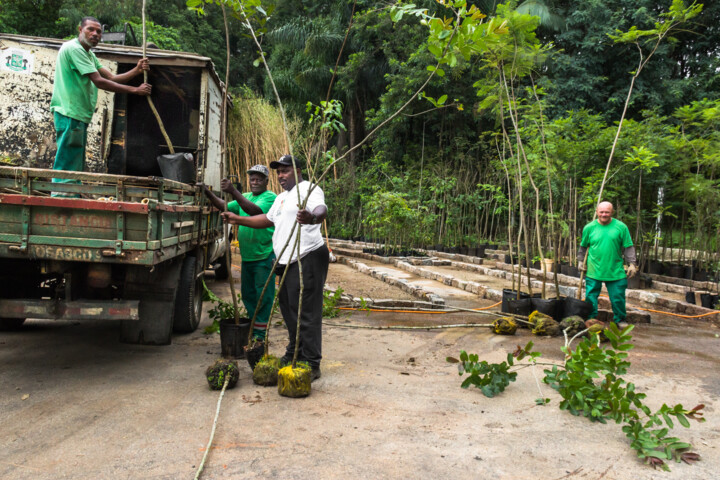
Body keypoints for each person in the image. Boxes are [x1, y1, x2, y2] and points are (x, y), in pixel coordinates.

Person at [221, 155, 329, 381]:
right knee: (289, 309)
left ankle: (311, 362)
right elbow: (267, 220)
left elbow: (321, 209)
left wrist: (311, 218)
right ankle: (294, 352)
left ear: (298, 171)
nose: (281, 175)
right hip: (286, 261)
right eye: (278, 172)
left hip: (307, 256)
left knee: (306, 312)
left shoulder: (308, 188)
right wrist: (236, 219)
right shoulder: (281, 198)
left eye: (285, 171)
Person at [50, 16, 152, 194]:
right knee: (67, 161)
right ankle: (61, 198)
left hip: (77, 114)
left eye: (99, 31)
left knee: (74, 161)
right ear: (80, 30)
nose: (95, 34)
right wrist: (135, 90)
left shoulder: (88, 53)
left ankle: (70, 195)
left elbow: (111, 77)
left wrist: (136, 70)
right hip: (70, 112)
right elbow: (99, 82)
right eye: (91, 29)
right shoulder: (75, 49)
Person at [200, 165, 277, 342]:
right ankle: (252, 328)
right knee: (248, 295)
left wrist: (233, 191)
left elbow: (255, 212)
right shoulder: (246, 196)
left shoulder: (270, 197)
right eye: (252, 178)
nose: (255, 181)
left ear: (266, 181)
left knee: (263, 296)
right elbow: (223, 205)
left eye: (259, 178)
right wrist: (207, 192)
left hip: (264, 256)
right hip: (248, 257)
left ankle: (260, 336)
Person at [578, 201, 638, 327]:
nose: (604, 214)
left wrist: (632, 263)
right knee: (590, 297)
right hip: (594, 269)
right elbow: (583, 247)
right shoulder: (589, 228)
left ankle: (620, 319)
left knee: (618, 298)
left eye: (607, 212)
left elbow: (628, 247)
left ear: (612, 212)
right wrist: (580, 260)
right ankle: (591, 319)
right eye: (601, 212)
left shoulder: (621, 227)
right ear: (597, 212)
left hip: (615, 269)